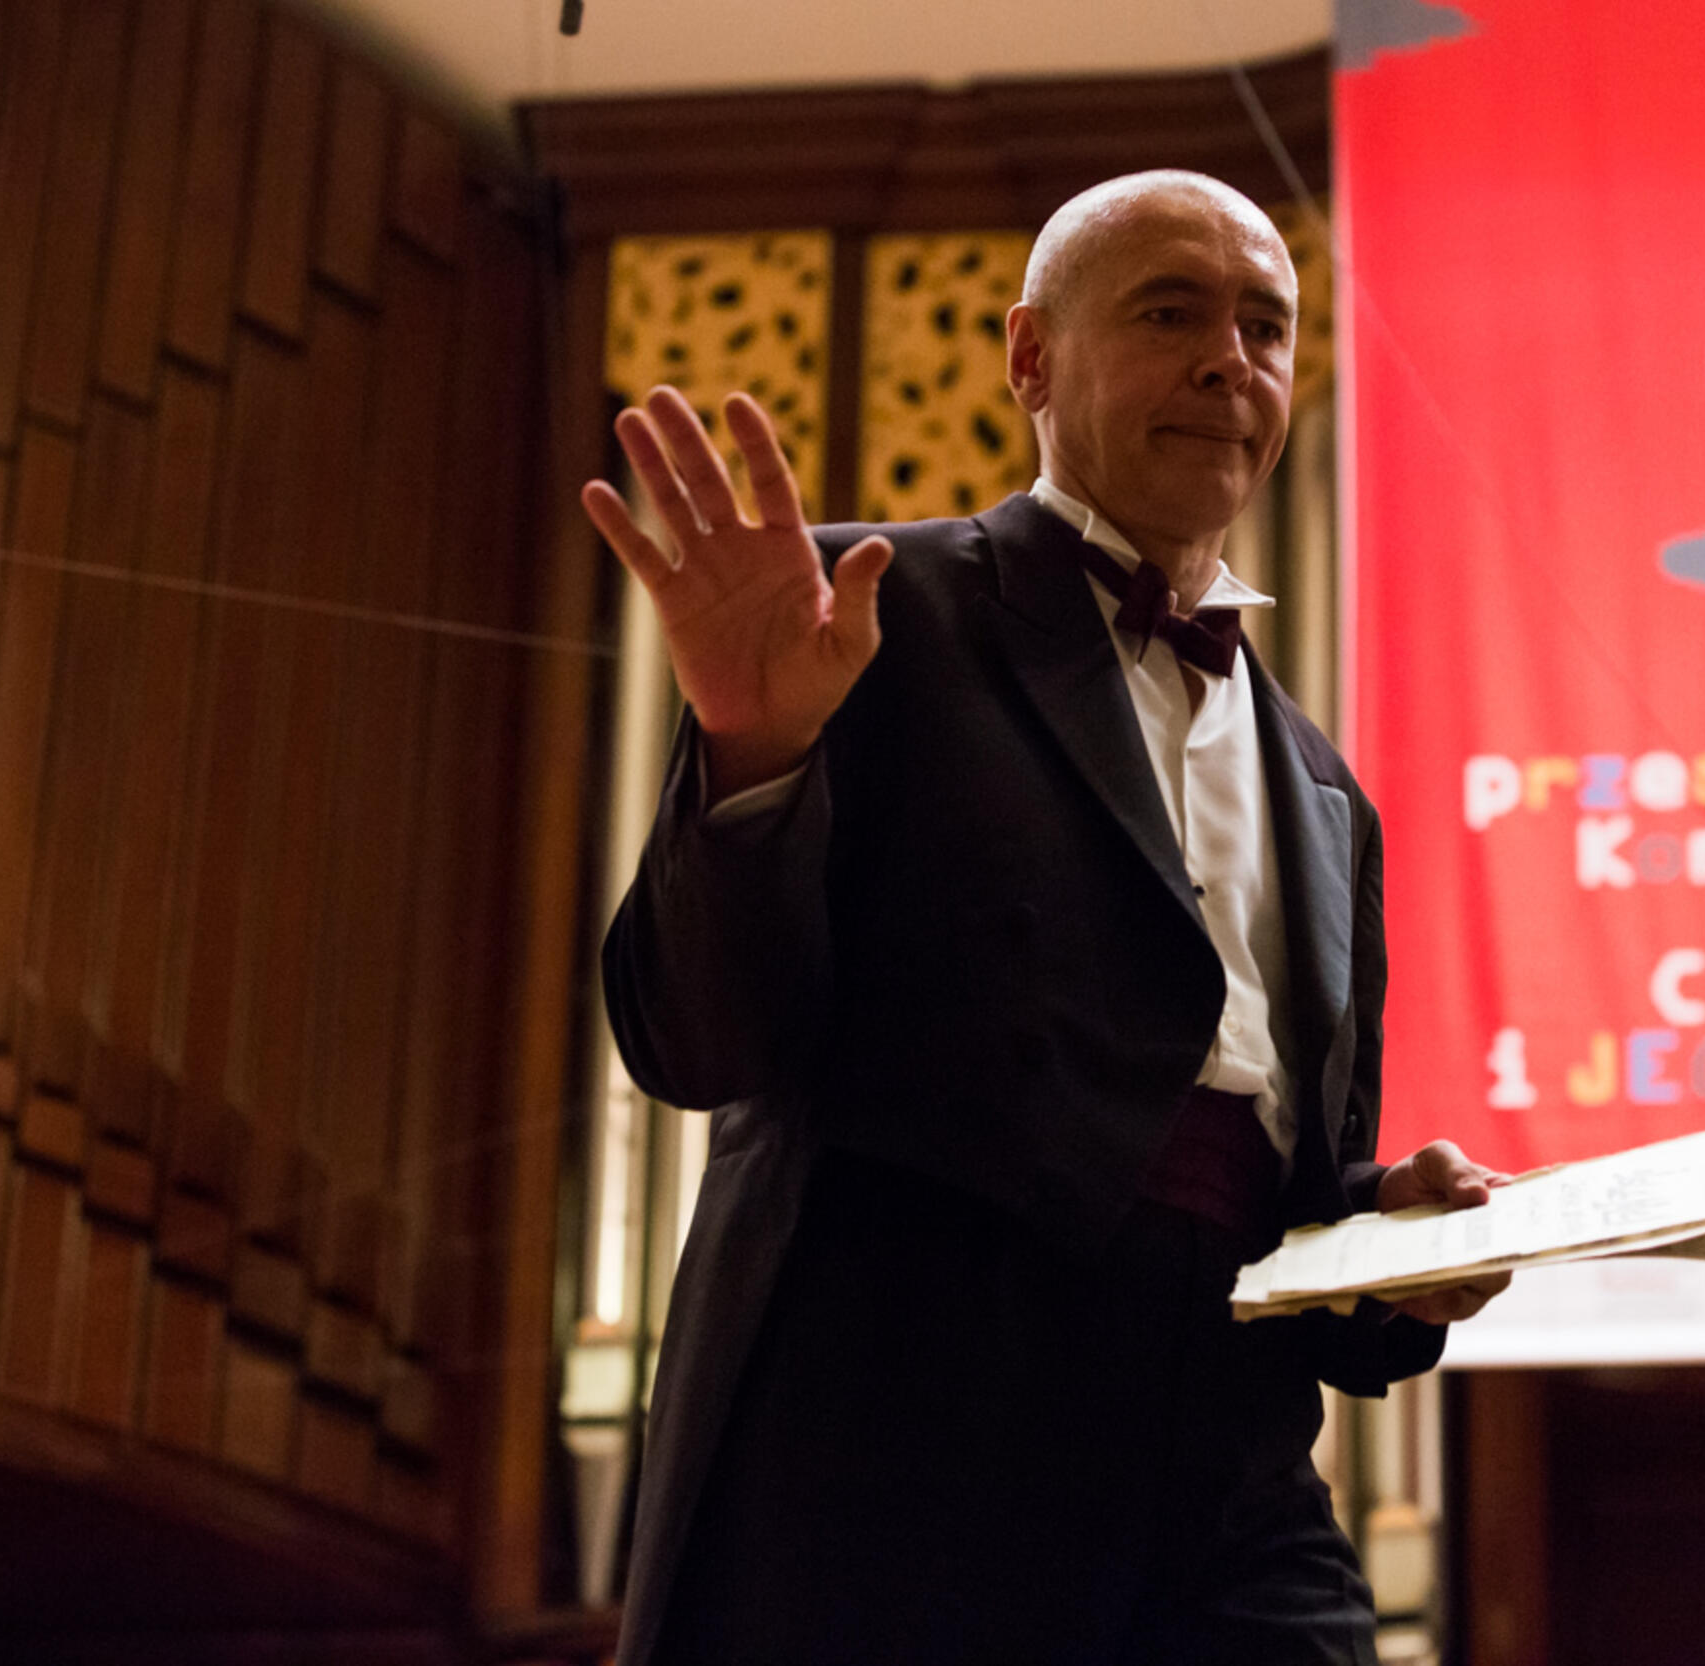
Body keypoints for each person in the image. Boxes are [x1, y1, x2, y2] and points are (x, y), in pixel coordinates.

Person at [585, 170, 1510, 1666]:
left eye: (1266, 327)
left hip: (1235, 1456)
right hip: (911, 1433)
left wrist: (1385, 1230)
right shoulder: (860, 613)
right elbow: (695, 1043)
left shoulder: (1327, 790)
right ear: (1030, 357)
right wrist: (752, 757)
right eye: (1170, 314)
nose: (1230, 361)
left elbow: (1274, 1186)